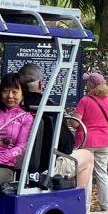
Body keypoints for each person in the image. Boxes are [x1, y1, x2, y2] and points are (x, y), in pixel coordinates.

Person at [18, 63, 94, 193]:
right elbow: (67, 145)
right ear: (41, 85)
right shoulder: (50, 109)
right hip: (44, 166)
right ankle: (81, 204)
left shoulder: (12, 108)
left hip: (15, 162)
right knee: (88, 156)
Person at [73, 73, 108, 212]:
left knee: (86, 173)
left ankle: (85, 208)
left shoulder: (85, 101)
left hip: (86, 141)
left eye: (87, 83)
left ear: (90, 85)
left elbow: (75, 123)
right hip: (104, 141)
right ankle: (106, 207)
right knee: (102, 174)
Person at [0, 73, 34, 184]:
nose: (9, 96)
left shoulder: (26, 118)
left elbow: (20, 147)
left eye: (14, 92)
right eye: (5, 91)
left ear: (23, 94)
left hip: (4, 167)